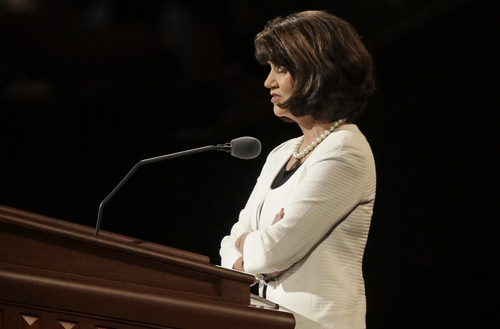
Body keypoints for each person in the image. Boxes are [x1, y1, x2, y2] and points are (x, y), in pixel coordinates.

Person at [220, 10, 376, 329]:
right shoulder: (281, 153)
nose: (268, 82)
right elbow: (230, 241)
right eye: (269, 69)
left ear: (316, 70)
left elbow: (270, 252)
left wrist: (258, 252)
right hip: (266, 319)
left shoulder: (345, 149)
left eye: (281, 69)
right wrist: (255, 247)